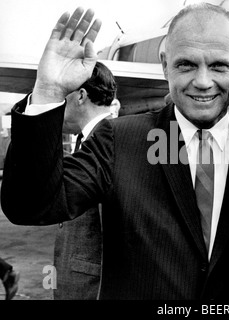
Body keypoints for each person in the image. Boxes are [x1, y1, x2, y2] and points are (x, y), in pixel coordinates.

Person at [1, 4, 229, 299]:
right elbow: (30, 205)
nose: (202, 81)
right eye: (186, 64)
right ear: (165, 64)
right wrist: (48, 90)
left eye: (219, 66)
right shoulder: (118, 140)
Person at [54, 61, 116, 300]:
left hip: (93, 288)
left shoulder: (109, 140)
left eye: (63, 95)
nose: (60, 103)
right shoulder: (91, 139)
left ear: (80, 96)